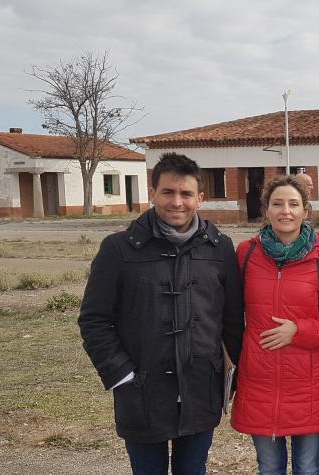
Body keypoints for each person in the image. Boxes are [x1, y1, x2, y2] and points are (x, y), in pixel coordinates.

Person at [79, 153, 245, 474]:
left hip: (201, 389)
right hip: (142, 391)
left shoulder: (220, 248)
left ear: (200, 198)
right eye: (168, 192)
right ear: (152, 193)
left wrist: (228, 378)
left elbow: (232, 319)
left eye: (186, 194)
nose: (177, 202)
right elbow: (94, 319)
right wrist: (122, 375)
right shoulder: (118, 248)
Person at [230, 175, 319, 475]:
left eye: (293, 204)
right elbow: (228, 310)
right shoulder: (246, 253)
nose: (286, 211)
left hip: (309, 384)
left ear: (305, 211)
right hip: (260, 381)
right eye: (278, 204)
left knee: (308, 468)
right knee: (269, 468)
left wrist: (299, 330)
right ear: (267, 210)